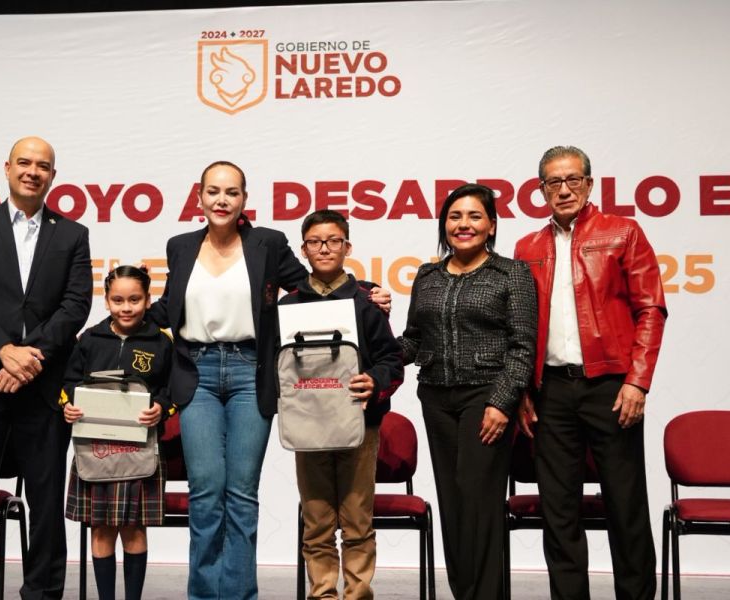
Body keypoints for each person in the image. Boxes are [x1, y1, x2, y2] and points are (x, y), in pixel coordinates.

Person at [145, 161, 389, 599]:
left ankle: (240, 595)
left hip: (249, 372)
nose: (222, 200)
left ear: (244, 199)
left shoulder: (267, 243)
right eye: (214, 191)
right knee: (205, 492)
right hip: (195, 373)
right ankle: (203, 595)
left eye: (232, 192)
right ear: (198, 196)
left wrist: (367, 290)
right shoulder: (179, 246)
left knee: (240, 494)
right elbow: (168, 307)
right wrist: (118, 323)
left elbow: (313, 284)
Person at [0, 136, 92, 600]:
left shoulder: (72, 234)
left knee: (46, 501)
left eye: (42, 165)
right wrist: (3, 351)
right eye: (23, 163)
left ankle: (43, 593)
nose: (32, 171)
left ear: (53, 175)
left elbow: (75, 305)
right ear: (6, 168)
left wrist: (29, 358)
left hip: (44, 386)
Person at [514, 146, 666, 600]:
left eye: (573, 180)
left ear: (590, 184)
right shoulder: (527, 247)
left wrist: (637, 380)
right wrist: (523, 389)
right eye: (553, 183)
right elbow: (520, 326)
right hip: (551, 393)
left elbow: (651, 309)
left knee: (626, 508)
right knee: (558, 514)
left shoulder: (624, 232)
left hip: (611, 388)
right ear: (541, 191)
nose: (564, 190)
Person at [398, 183, 537, 600]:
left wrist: (502, 402)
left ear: (491, 225)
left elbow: (523, 345)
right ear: (444, 225)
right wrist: (367, 338)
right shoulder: (429, 275)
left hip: (486, 398)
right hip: (436, 398)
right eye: (455, 217)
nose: (464, 225)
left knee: (479, 503)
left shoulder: (512, 273)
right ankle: (463, 592)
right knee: (453, 504)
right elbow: (412, 340)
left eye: (474, 216)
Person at [280, 210, 404, 600]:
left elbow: (392, 361)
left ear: (347, 247)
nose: (325, 249)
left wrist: (377, 382)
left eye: (334, 240)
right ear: (303, 249)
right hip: (307, 427)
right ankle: (322, 594)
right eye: (315, 242)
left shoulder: (367, 302)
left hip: (359, 427)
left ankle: (357, 594)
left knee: (356, 523)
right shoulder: (288, 305)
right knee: (316, 524)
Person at [62, 266, 172, 600]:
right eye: (118, 300)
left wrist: (162, 408)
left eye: (135, 300)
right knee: (101, 528)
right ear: (106, 300)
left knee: (135, 529)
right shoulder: (89, 340)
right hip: (95, 449)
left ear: (148, 300)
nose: (127, 307)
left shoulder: (161, 342)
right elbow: (68, 381)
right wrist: (67, 405)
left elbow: (172, 387)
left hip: (141, 450)